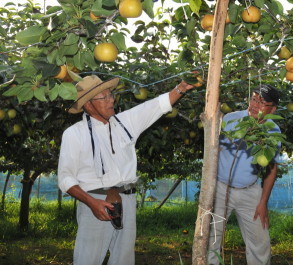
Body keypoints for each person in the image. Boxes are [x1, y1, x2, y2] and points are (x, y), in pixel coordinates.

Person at [57, 75, 193, 265]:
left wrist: (180, 89)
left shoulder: (124, 123)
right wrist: (92, 203)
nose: (111, 99)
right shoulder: (75, 134)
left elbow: (154, 107)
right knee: (87, 259)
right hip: (95, 202)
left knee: (124, 258)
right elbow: (65, 178)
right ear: (88, 105)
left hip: (127, 199)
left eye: (110, 95)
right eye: (103, 97)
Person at [208, 84, 281, 265]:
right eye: (254, 99)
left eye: (262, 102)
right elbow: (211, 151)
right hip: (220, 187)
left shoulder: (273, 131)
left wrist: (263, 202)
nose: (255, 105)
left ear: (273, 109)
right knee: (211, 238)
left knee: (260, 241)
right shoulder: (230, 119)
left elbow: (272, 169)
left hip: (250, 190)